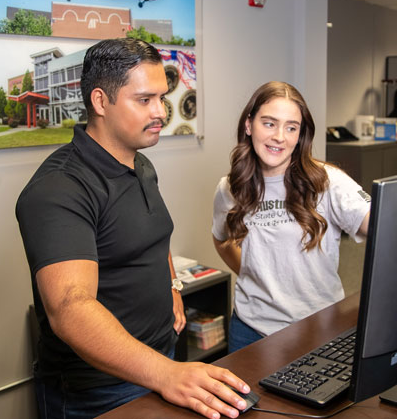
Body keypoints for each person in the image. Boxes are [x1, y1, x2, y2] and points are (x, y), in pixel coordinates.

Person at [17, 38, 251, 419]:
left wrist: (172, 286)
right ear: (100, 101)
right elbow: (71, 310)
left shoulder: (140, 164)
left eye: (162, 97)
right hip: (98, 390)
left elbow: (155, 237)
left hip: (158, 357)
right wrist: (167, 374)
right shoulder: (59, 189)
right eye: (144, 100)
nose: (160, 111)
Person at [212, 81, 371, 352]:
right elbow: (222, 239)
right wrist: (254, 275)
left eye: (291, 127)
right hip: (251, 330)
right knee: (245, 396)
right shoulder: (231, 186)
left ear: (300, 135)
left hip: (320, 327)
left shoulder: (327, 181)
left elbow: (386, 230)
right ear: (249, 125)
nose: (280, 137)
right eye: (269, 123)